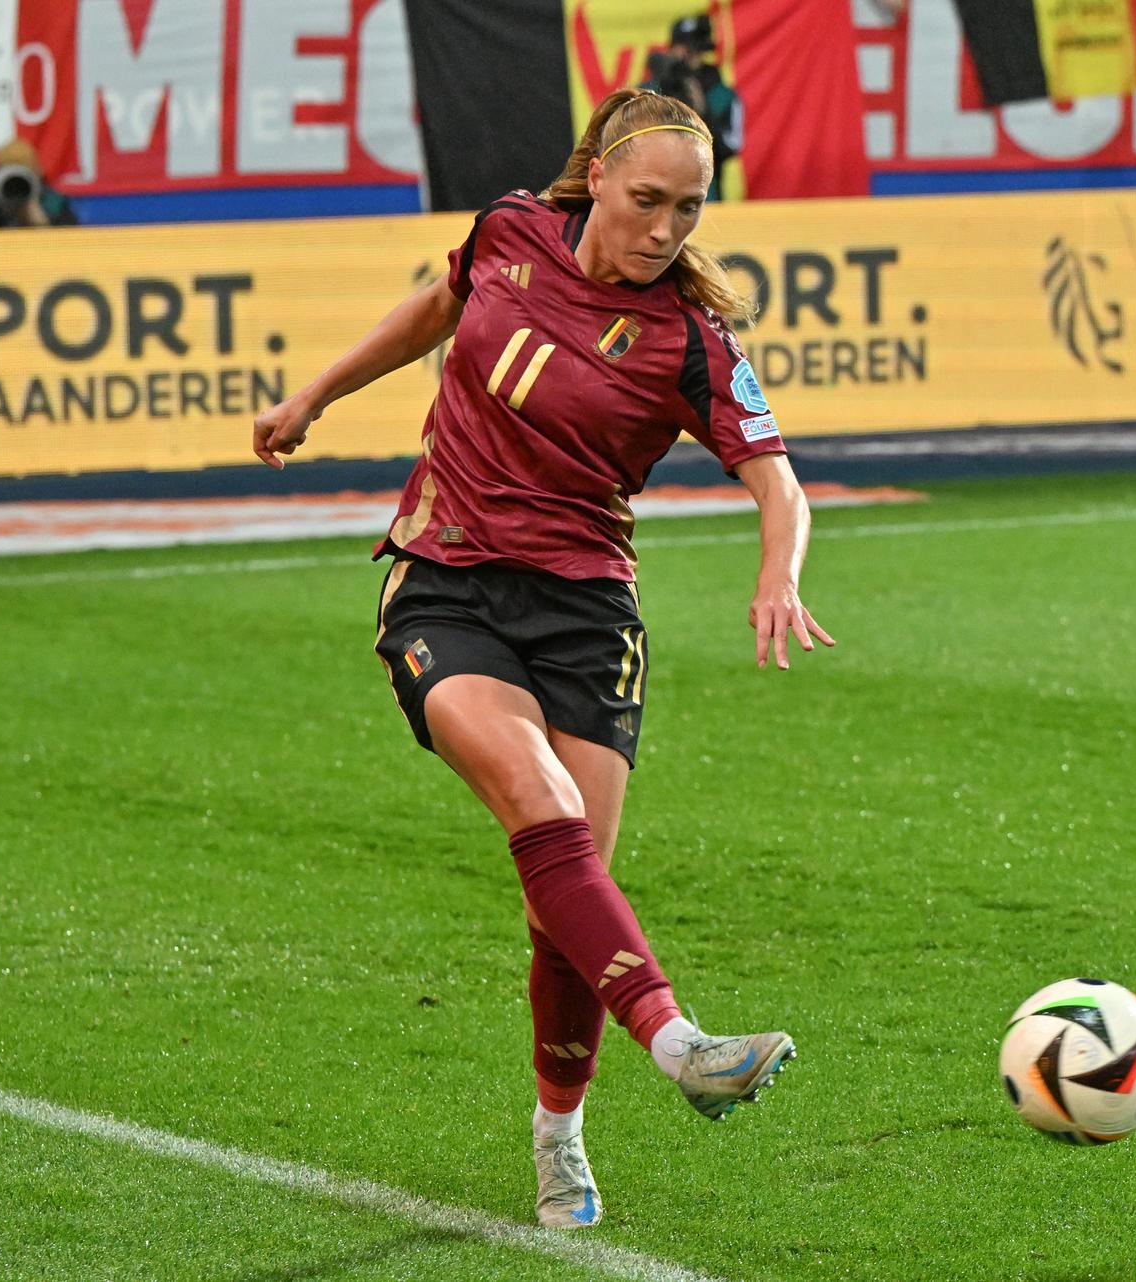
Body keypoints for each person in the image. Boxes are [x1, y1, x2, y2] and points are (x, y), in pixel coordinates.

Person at [250, 87, 832, 1230]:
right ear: (599, 181)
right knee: (539, 799)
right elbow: (435, 306)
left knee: (567, 900)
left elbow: (778, 477)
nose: (667, 228)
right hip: (446, 580)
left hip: (586, 618)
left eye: (692, 208)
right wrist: (316, 390)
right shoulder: (511, 229)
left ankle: (558, 1135)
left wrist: (780, 571)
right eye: (650, 200)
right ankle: (681, 1046)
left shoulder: (692, 343)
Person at [643, 16, 742, 200]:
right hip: (654, 199)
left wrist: (702, 113)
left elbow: (730, 148)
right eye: (683, 49)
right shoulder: (647, 91)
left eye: (695, 50)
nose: (687, 57)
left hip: (705, 200)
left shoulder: (722, 96)